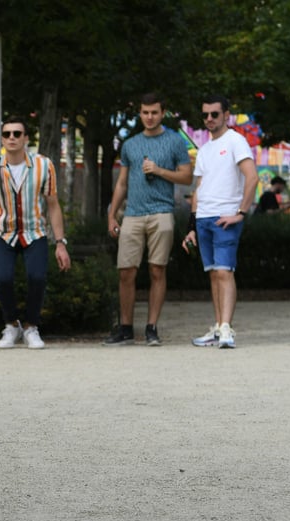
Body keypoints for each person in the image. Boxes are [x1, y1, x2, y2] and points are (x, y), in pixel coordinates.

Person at [103, 93, 193, 346]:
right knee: (126, 272)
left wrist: (159, 170)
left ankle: (152, 327)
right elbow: (122, 183)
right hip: (132, 213)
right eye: (145, 112)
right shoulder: (130, 144)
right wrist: (112, 215)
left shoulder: (175, 142)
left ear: (162, 113)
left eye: (154, 112)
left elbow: (187, 177)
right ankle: (126, 327)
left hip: (161, 212)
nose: (149, 117)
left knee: (157, 269)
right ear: (140, 113)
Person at [0, 116, 71, 350]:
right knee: (2, 278)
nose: (12, 138)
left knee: (37, 277)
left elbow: (53, 205)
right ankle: (11, 324)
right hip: (2, 232)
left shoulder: (43, 165)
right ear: (2, 139)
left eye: (17, 134)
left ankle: (31, 326)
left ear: (26, 138)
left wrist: (61, 243)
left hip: (34, 231)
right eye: (7, 134)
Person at [182, 95, 259, 349]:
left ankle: (227, 328)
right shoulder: (204, 149)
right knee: (213, 273)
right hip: (203, 218)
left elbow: (252, 177)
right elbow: (199, 188)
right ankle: (217, 327)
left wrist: (241, 212)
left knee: (225, 272)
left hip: (225, 217)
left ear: (226, 114)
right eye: (205, 115)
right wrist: (191, 227)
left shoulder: (236, 141)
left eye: (215, 114)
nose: (209, 119)